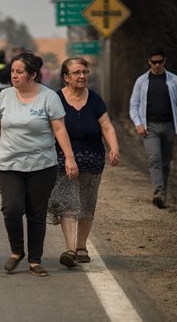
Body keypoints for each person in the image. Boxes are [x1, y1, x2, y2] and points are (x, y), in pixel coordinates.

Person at [0, 51, 78, 277]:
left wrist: (70, 158)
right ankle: (17, 251)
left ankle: (35, 259)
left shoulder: (49, 98)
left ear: (33, 75)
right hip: (9, 165)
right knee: (11, 210)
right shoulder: (4, 96)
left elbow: (59, 129)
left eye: (19, 72)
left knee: (36, 213)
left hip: (42, 166)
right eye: (12, 71)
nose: (13, 75)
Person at [47, 57, 120, 267]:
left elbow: (106, 126)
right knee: (68, 201)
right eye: (77, 72)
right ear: (66, 77)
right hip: (63, 159)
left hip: (92, 159)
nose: (82, 76)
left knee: (87, 204)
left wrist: (114, 147)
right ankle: (70, 249)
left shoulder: (95, 99)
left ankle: (81, 246)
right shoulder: (56, 99)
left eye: (85, 72)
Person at [129, 47, 177, 209]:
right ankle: (158, 192)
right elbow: (133, 105)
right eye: (154, 62)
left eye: (160, 62)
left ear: (165, 61)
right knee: (154, 158)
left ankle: (163, 193)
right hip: (150, 127)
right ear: (149, 62)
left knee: (165, 162)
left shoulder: (173, 80)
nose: (157, 65)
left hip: (170, 124)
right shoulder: (141, 81)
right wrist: (138, 124)